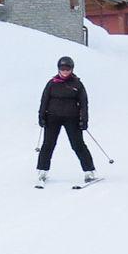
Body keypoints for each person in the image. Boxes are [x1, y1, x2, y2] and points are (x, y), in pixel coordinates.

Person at [35, 54, 97, 185]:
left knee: (77, 144)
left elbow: (84, 103)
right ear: (58, 69)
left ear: (72, 69)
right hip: (52, 117)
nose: (65, 71)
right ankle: (42, 171)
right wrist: (41, 116)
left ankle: (89, 171)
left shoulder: (77, 84)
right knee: (48, 144)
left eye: (67, 69)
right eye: (62, 69)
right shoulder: (52, 83)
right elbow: (44, 100)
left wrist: (84, 120)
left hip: (72, 118)